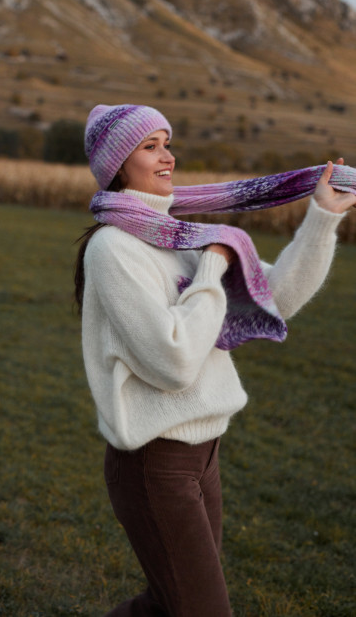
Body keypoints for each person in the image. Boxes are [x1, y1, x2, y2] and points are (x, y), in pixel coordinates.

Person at [75, 103, 355, 617]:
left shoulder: (183, 237)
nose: (169, 157)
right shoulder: (115, 249)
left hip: (204, 457)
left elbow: (278, 296)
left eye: (167, 143)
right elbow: (173, 361)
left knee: (171, 603)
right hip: (155, 463)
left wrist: (322, 219)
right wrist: (210, 271)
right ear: (117, 164)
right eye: (151, 146)